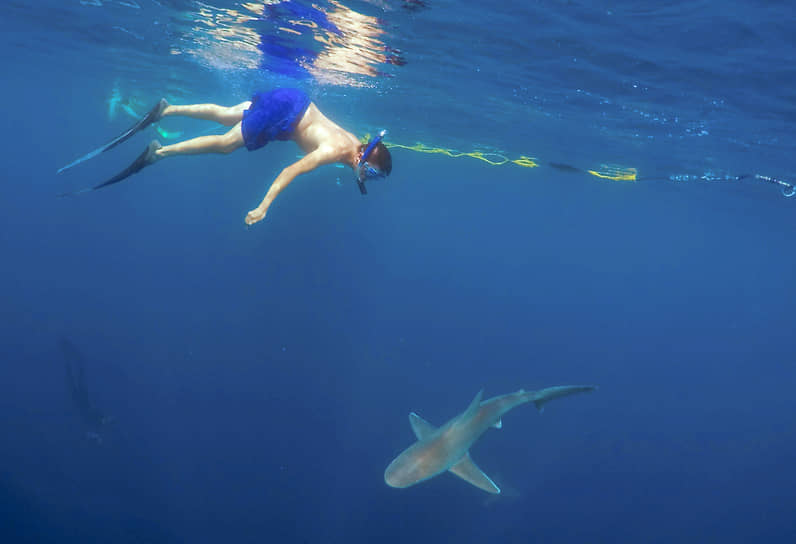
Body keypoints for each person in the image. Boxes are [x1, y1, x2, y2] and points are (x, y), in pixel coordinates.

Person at [58, 88, 393, 226]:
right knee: (226, 144)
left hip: (291, 101)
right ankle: (159, 153)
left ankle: (166, 109)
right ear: (366, 160)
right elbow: (294, 169)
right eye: (372, 174)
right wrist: (265, 205)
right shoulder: (338, 150)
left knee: (226, 115)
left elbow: (360, 149)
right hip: (285, 114)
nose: (367, 179)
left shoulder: (353, 143)